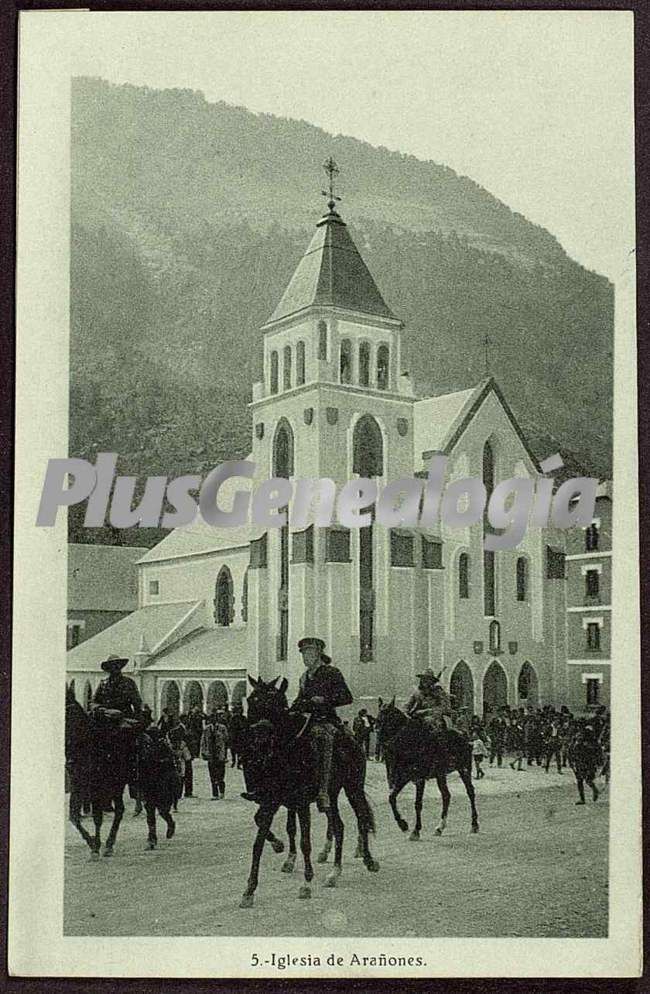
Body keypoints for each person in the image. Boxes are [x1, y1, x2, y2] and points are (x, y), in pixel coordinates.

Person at [291, 637, 353, 811]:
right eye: (303, 654)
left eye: (308, 653)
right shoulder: (304, 678)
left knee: (322, 738)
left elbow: (347, 697)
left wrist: (324, 700)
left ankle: (323, 791)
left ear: (318, 654)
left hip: (325, 720)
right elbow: (299, 699)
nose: (305, 657)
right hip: (306, 721)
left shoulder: (332, 673)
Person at [91, 655, 142, 719]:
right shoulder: (103, 684)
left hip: (124, 719)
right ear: (108, 668)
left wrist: (136, 719)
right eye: (112, 665)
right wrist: (103, 710)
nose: (115, 667)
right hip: (105, 719)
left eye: (117, 665)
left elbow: (137, 703)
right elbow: (94, 702)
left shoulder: (128, 683)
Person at [406, 669, 452, 733]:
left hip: (434, 719)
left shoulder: (439, 692)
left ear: (432, 681)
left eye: (428, 679)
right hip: (418, 717)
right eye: (423, 678)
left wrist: (431, 711)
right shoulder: (417, 693)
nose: (425, 681)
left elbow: (445, 707)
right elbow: (408, 705)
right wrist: (405, 712)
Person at [200, 710, 229, 799]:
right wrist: (203, 752)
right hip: (211, 754)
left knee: (221, 774)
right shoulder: (206, 729)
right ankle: (214, 794)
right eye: (211, 719)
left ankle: (222, 791)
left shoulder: (222, 728)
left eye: (215, 719)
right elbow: (203, 741)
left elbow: (226, 739)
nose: (213, 720)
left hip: (220, 754)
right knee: (212, 775)